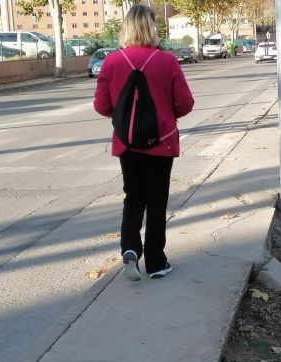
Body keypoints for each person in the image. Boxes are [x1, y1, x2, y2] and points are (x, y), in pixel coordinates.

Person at [93, 5, 194, 281]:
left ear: (126, 28)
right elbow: (185, 103)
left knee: (133, 197)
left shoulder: (112, 62)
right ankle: (157, 263)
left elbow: (101, 106)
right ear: (152, 28)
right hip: (161, 143)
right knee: (157, 200)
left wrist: (124, 113)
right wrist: (165, 113)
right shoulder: (168, 61)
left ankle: (130, 250)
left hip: (127, 144)